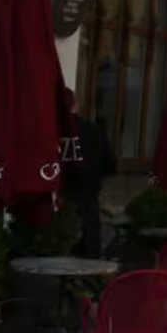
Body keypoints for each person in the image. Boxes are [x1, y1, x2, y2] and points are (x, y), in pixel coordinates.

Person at [61, 99, 115, 259]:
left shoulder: (53, 129)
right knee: (90, 228)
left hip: (62, 189)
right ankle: (91, 269)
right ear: (76, 106)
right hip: (88, 188)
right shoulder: (94, 131)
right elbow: (108, 165)